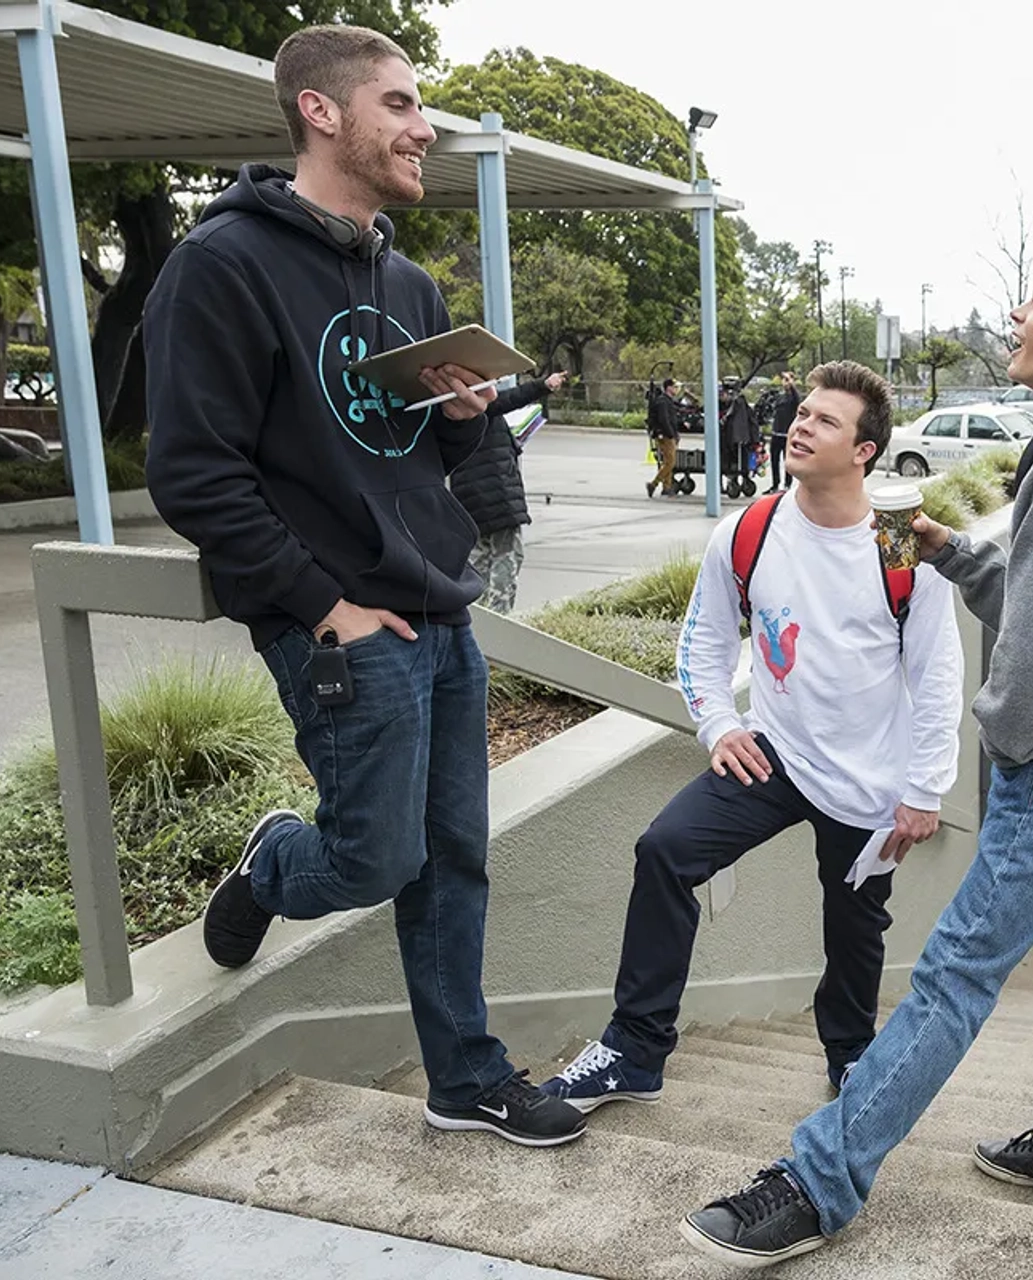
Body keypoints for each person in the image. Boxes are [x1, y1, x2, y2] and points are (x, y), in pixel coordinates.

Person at [679, 252, 1033, 1268]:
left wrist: (999, 746)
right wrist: (957, 554)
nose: (1020, 313)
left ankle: (819, 1177)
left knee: (956, 970)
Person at [142, 25, 585, 1147]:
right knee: (372, 857)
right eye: (398, 103)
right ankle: (271, 859)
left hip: (436, 608)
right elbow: (193, 471)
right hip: (341, 624)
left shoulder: (406, 279)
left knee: (454, 862)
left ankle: (464, 1077)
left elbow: (396, 460)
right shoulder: (222, 264)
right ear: (321, 112)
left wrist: (457, 419)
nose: (422, 125)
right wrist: (319, 601)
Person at [540, 361, 963, 1109]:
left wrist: (924, 788)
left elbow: (935, 673)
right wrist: (718, 725)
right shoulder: (753, 527)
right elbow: (701, 642)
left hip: (869, 781)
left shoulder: (896, 540)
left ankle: (850, 1058)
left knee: (855, 927)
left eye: (826, 420)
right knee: (665, 852)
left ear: (865, 451)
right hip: (775, 755)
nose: (802, 424)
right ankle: (634, 1051)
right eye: (803, 411)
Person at [453, 370, 568, 613]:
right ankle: (499, 616)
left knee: (479, 559)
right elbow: (514, 397)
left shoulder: (450, 412)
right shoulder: (482, 407)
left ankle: (475, 618)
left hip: (467, 497)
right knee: (507, 557)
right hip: (497, 496)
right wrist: (544, 385)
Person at [766, 370, 802, 494]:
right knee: (774, 460)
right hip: (776, 433)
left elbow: (797, 400)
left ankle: (787, 484)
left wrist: (792, 385)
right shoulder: (780, 396)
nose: (784, 382)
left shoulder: (794, 397)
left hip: (787, 435)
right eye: (784, 380)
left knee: (788, 461)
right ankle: (775, 484)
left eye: (787, 380)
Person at [647, 376, 680, 497]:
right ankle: (653, 484)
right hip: (664, 435)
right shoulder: (662, 402)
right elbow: (664, 419)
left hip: (668, 434)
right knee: (670, 462)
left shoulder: (668, 401)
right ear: (668, 388)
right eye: (675, 387)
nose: (677, 390)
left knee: (668, 461)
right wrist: (671, 434)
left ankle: (667, 486)